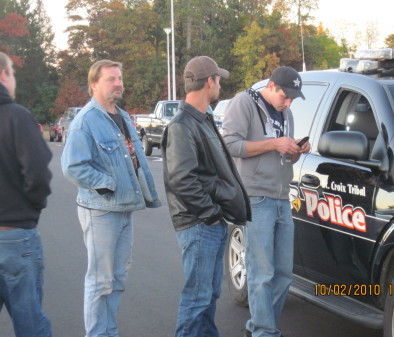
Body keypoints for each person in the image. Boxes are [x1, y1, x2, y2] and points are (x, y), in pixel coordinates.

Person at [61, 59, 161, 337]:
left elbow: (135, 158)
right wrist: (108, 184)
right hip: (101, 210)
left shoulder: (123, 116)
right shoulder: (86, 121)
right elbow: (72, 166)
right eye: (110, 79)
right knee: (100, 280)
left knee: (117, 278)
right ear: (94, 85)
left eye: (120, 78)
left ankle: (109, 332)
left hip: (125, 207)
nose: (118, 83)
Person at [161, 56, 251, 337]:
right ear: (209, 81)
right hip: (199, 225)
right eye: (219, 79)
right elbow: (182, 180)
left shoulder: (203, 119)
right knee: (197, 299)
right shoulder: (182, 125)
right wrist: (211, 216)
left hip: (209, 224)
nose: (220, 83)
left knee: (208, 296)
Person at [222, 66, 311, 337]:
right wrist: (274, 144)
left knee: (283, 274)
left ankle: (258, 326)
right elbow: (230, 144)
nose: (289, 102)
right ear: (271, 86)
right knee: (262, 273)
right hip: (256, 196)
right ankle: (264, 332)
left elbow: (284, 155)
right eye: (286, 96)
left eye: (294, 98)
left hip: (283, 196)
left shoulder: (287, 113)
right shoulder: (244, 103)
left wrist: (296, 149)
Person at [0, 52, 53, 337]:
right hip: (15, 235)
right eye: (13, 73)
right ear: (3, 75)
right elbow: (39, 173)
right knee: (30, 322)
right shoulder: (17, 117)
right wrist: (31, 210)